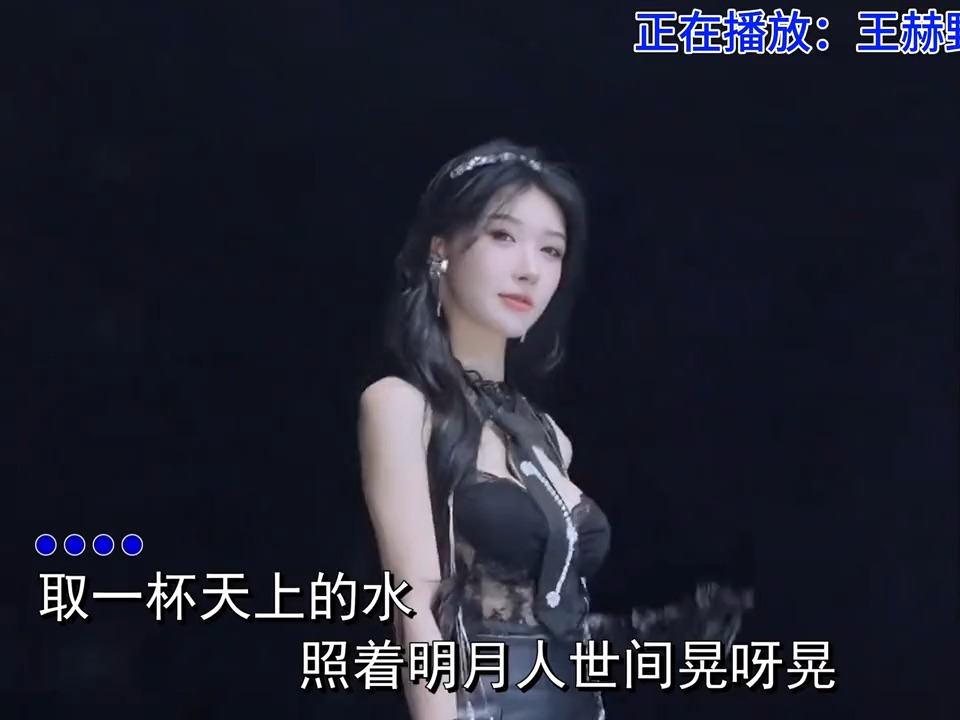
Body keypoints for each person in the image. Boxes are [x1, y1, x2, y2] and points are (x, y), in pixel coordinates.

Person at [357, 139, 752, 720]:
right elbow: (415, 605)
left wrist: (650, 632)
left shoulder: (547, 435)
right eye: (503, 236)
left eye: (551, 250)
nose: (529, 269)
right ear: (440, 250)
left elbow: (552, 613)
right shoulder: (402, 405)